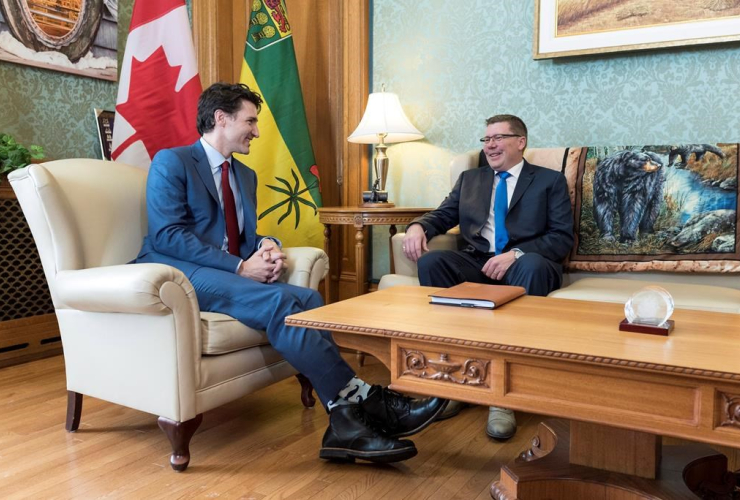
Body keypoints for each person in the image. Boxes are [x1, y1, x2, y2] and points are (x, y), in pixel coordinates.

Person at [135, 82, 447, 463]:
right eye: (250, 121)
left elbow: (244, 235)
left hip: (222, 273)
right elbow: (167, 235)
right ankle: (366, 403)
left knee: (311, 299)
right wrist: (240, 266)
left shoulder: (244, 175)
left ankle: (344, 421)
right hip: (177, 274)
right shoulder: (173, 162)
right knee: (283, 300)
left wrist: (266, 246)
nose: (257, 131)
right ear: (221, 118)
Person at [402, 114, 573, 439]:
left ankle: (501, 394)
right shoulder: (471, 179)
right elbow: (444, 214)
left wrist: (515, 254)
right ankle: (453, 381)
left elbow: (562, 238)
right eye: (486, 139)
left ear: (520, 142)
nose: (490, 145)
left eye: (498, 138)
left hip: (527, 263)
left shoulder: (550, 181)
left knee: (532, 266)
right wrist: (418, 226)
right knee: (433, 263)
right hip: (479, 263)